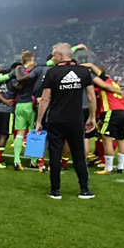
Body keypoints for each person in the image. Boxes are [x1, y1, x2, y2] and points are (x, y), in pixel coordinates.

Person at [36, 43, 96, 200]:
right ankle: (85, 190)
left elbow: (45, 98)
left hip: (56, 119)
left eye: (54, 55)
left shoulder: (52, 72)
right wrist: (92, 117)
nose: (52, 58)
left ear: (60, 56)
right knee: (79, 154)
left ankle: (55, 191)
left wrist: (39, 120)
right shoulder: (84, 72)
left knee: (55, 155)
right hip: (76, 119)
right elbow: (91, 97)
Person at [83, 63, 124, 174]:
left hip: (112, 111)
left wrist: (77, 66)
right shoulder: (112, 81)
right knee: (121, 139)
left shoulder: (104, 81)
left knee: (106, 138)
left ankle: (108, 168)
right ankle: (120, 167)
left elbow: (90, 65)